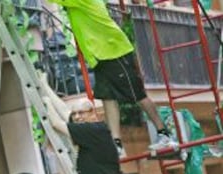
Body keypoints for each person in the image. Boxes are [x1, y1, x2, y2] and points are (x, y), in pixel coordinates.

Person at [46, 0, 177, 157]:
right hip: (102, 55)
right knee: (108, 98)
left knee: (138, 95)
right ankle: (116, 145)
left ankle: (165, 135)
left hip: (114, 53)